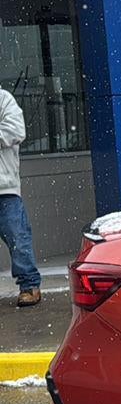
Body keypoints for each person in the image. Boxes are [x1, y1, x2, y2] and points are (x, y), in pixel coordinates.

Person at [0, 86, 40, 307]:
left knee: (18, 239)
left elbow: (16, 131)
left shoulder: (3, 99)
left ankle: (30, 286)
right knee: (18, 238)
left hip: (5, 188)